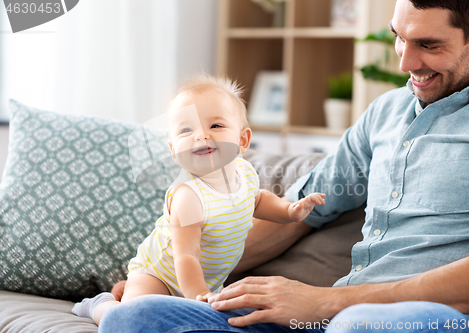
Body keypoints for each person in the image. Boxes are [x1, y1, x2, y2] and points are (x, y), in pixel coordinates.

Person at [98, 0, 469, 332]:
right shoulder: (386, 113)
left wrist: (324, 300)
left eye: (428, 45)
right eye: (399, 38)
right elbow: (303, 211)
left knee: (357, 326)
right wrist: (164, 281)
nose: (404, 62)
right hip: (333, 317)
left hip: (451, 320)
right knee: (137, 317)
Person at [71, 75, 325, 325]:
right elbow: (186, 257)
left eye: (215, 126)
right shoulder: (188, 197)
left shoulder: (245, 172)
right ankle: (100, 305)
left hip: (206, 279)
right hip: (160, 276)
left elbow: (258, 201)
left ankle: (125, 291)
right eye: (186, 130)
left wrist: (289, 211)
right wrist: (200, 297)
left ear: (243, 140)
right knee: (131, 318)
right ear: (173, 150)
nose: (201, 136)